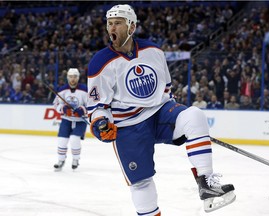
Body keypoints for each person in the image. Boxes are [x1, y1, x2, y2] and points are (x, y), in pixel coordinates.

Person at [87, 4, 235, 215]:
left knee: (194, 116)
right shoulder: (100, 62)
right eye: (110, 23)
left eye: (118, 23)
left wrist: (186, 125)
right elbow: (97, 106)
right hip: (128, 126)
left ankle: (206, 185)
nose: (112, 27)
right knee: (142, 182)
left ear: (131, 27)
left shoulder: (153, 51)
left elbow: (166, 88)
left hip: (159, 113)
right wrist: (101, 123)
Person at [53, 68, 88, 171]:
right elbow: (56, 104)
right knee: (62, 140)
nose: (73, 79)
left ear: (78, 78)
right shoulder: (62, 89)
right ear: (68, 77)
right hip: (66, 120)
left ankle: (76, 159)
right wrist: (63, 108)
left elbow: (92, 104)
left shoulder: (85, 90)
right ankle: (61, 160)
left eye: (75, 77)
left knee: (74, 139)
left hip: (80, 121)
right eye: (71, 77)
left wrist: (82, 110)